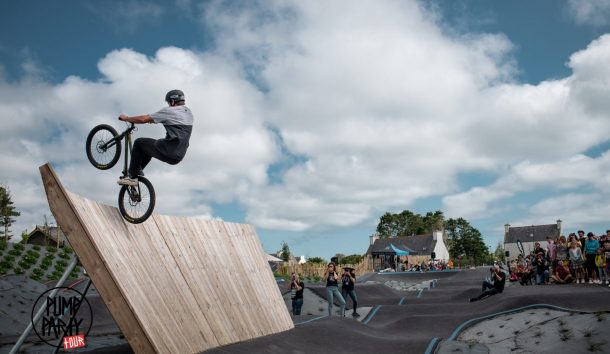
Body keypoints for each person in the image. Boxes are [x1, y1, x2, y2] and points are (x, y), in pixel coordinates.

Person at [117, 89, 194, 186]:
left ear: (172, 101)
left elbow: (143, 119)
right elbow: (175, 121)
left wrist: (126, 118)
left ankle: (132, 176)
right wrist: (155, 119)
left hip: (168, 149)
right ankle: (136, 172)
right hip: (178, 156)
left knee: (139, 142)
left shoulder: (169, 111)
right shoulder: (189, 113)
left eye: (169, 102)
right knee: (149, 147)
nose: (169, 105)